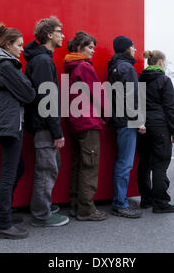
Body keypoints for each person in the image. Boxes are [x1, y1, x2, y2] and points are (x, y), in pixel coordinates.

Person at [0, 23, 36, 239]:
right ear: (7, 45)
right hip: (9, 125)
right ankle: (3, 224)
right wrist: (27, 88)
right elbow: (29, 93)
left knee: (17, 168)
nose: (21, 49)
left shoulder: (5, 65)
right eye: (19, 45)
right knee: (9, 173)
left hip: (10, 123)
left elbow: (25, 91)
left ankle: (4, 211)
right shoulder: (4, 66)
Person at [23, 16, 69, 227]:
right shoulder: (42, 61)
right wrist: (56, 132)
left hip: (43, 124)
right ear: (50, 35)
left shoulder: (43, 58)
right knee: (46, 169)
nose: (63, 35)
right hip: (44, 125)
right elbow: (46, 99)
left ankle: (44, 207)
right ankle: (41, 215)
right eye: (60, 32)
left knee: (51, 165)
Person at [63, 31, 106, 221]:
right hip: (88, 122)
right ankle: (86, 210)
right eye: (90, 47)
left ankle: (75, 204)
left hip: (75, 121)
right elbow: (98, 95)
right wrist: (107, 115)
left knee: (78, 164)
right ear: (79, 48)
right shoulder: (84, 67)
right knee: (90, 166)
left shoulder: (70, 66)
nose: (93, 51)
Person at [107, 35, 146, 219]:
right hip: (127, 121)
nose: (135, 49)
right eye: (133, 46)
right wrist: (139, 121)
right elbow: (132, 97)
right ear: (126, 48)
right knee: (125, 162)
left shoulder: (114, 66)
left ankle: (119, 199)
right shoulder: (127, 68)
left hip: (118, 119)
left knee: (122, 161)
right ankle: (120, 203)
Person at [137, 50, 174, 213]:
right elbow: (170, 108)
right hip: (160, 126)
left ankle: (146, 198)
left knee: (145, 163)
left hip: (142, 125)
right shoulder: (164, 80)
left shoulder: (140, 78)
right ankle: (160, 202)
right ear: (160, 62)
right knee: (160, 163)